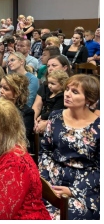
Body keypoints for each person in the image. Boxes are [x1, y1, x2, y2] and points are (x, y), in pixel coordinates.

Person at [38, 74, 99, 219]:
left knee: (66, 215)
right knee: (30, 207)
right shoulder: (55, 116)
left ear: (89, 99)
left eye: (75, 92)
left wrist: (74, 190)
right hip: (53, 177)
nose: (67, 94)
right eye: (67, 89)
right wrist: (46, 181)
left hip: (85, 185)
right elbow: (45, 151)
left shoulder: (99, 126)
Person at [34, 70, 68, 136]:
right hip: (43, 117)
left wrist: (42, 117)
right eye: (49, 83)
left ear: (62, 84)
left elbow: (55, 111)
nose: (49, 86)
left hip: (54, 119)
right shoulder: (49, 93)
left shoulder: (61, 97)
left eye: (53, 84)